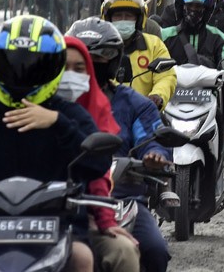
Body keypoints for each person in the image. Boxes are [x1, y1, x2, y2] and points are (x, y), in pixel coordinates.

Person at [0, 15, 110, 272]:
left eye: (33, 67)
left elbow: (98, 161)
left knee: (82, 259)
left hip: (59, 233)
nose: (21, 74)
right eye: (12, 65)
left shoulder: (70, 115)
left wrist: (56, 122)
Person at [67, 18, 174, 272]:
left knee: (155, 250)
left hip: (121, 201)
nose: (89, 68)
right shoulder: (51, 102)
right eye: (78, 62)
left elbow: (153, 138)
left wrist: (154, 156)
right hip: (59, 201)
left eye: (99, 59)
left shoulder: (134, 104)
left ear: (114, 62)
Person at [58, 36, 140, 272]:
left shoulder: (98, 108)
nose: (70, 75)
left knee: (132, 251)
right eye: (63, 67)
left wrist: (105, 220)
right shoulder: (26, 108)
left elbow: (98, 170)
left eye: (79, 68)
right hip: (25, 217)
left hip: (84, 213)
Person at [101, 0, 176, 110]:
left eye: (129, 16)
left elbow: (166, 77)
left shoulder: (154, 45)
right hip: (105, 113)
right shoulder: (98, 48)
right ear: (109, 19)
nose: (123, 20)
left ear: (139, 20)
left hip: (144, 114)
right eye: (118, 16)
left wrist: (157, 95)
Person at [162, 0, 224, 73]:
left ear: (207, 10)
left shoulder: (220, 40)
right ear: (181, 7)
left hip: (209, 87)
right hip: (170, 86)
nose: (193, 10)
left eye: (198, 7)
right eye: (189, 6)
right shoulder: (164, 36)